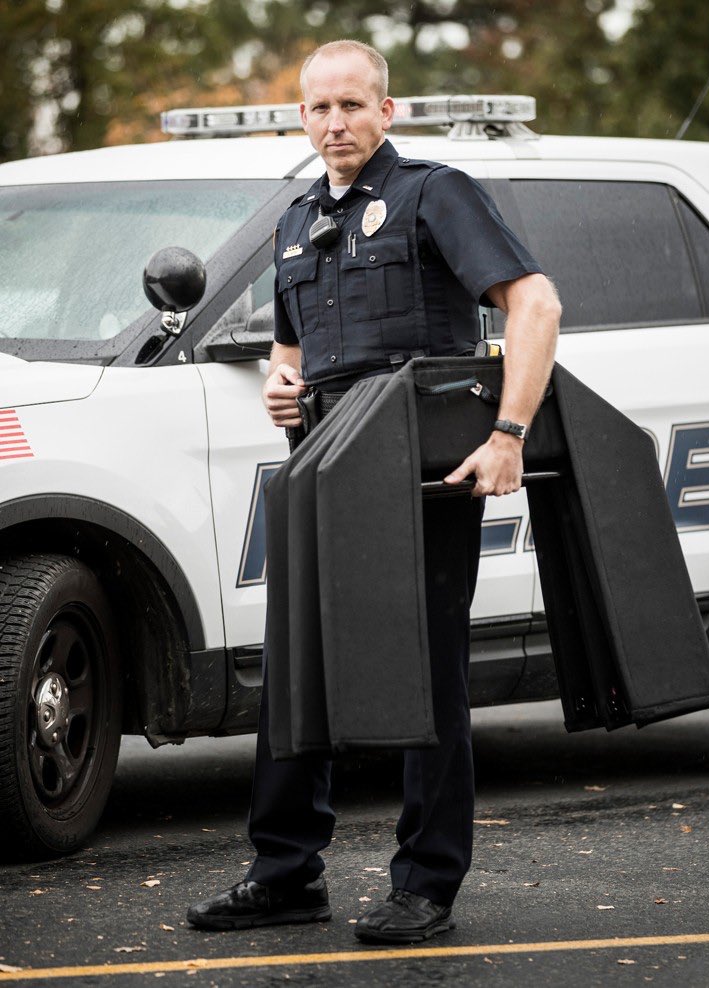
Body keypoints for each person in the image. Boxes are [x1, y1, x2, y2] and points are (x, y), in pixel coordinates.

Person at [187, 39, 560, 944]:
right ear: (301, 116)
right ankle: (285, 873)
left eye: (352, 105)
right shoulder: (296, 219)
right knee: (297, 665)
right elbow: (289, 349)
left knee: (427, 672)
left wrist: (508, 434)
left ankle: (427, 883)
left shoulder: (436, 193)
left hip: (423, 472)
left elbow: (536, 303)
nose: (335, 123)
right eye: (319, 108)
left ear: (386, 111)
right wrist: (281, 384)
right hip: (326, 467)